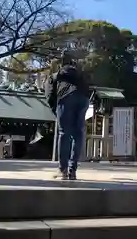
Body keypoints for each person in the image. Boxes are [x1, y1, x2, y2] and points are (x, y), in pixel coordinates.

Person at [45, 51, 89, 180]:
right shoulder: (81, 74)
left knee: (64, 132)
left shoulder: (55, 75)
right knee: (78, 133)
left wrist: (55, 110)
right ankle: (72, 170)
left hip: (66, 97)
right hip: (83, 98)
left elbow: (49, 95)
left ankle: (62, 169)